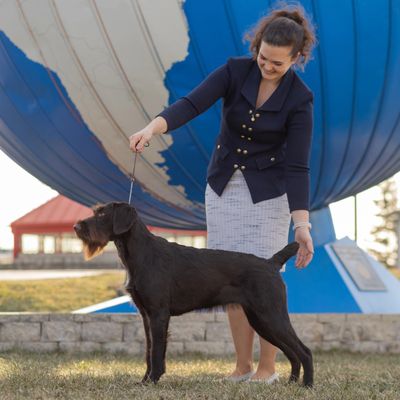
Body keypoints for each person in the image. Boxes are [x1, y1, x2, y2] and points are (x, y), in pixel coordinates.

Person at [129, 3, 316, 384]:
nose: (267, 66)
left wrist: (302, 225)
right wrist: (152, 128)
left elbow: (297, 167)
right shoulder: (234, 70)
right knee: (226, 277)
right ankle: (242, 365)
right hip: (224, 188)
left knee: (260, 280)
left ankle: (267, 368)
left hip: (269, 197)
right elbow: (192, 103)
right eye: (263, 57)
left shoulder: (300, 99)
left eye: (277, 63)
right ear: (256, 46)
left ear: (296, 58)